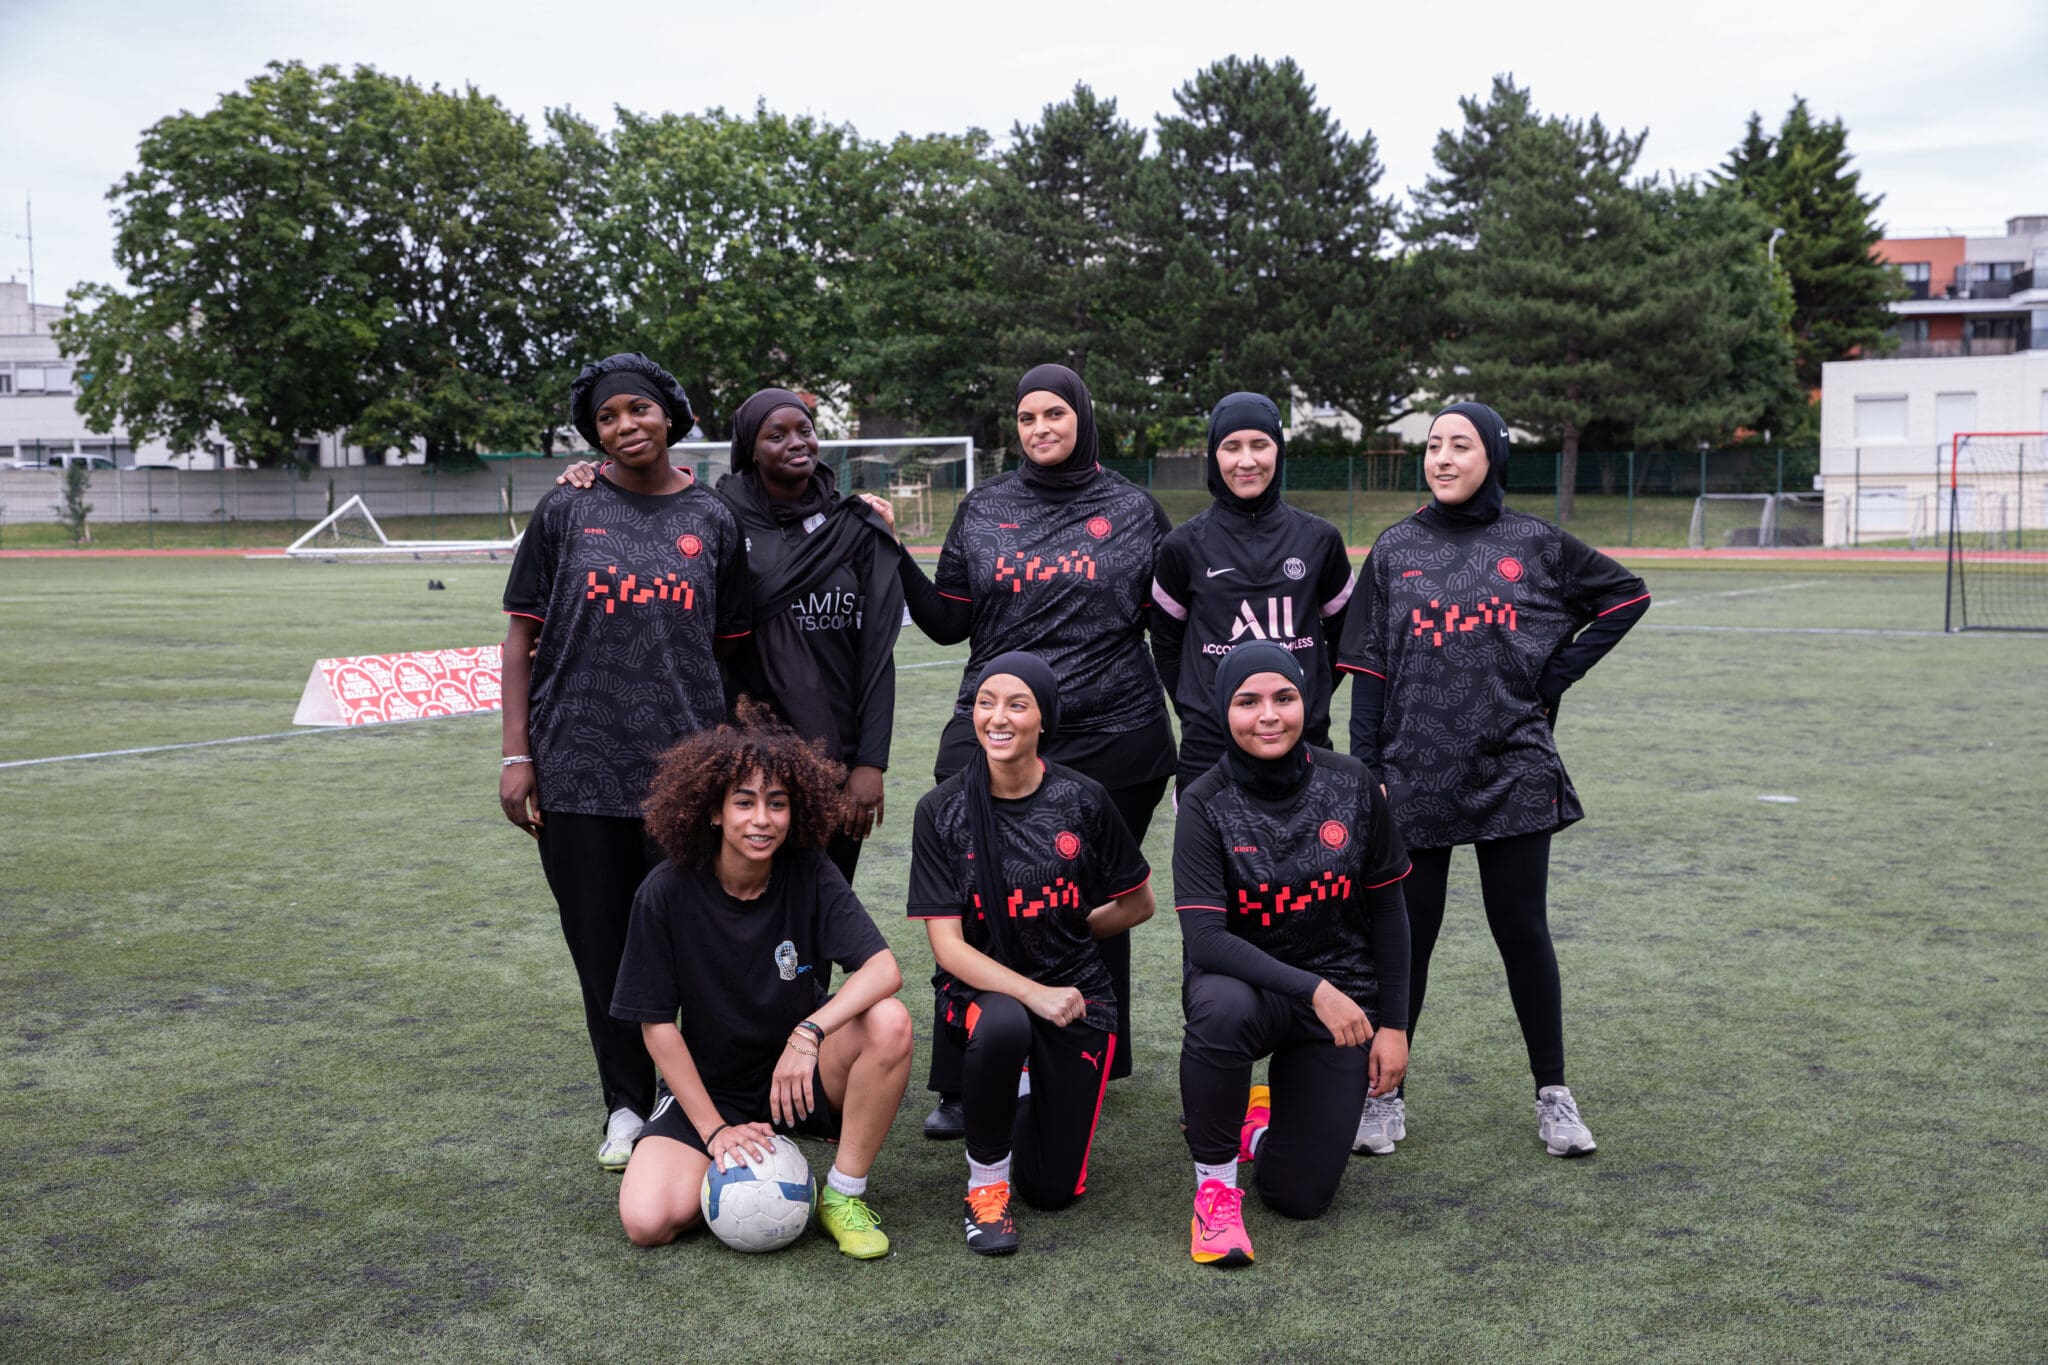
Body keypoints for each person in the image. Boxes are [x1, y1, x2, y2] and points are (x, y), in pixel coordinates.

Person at [1336, 402, 1649, 1159]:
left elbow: (1626, 595)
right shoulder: (1395, 547)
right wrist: (1366, 770)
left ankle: (1554, 1094)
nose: (1442, 457)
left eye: (1460, 445)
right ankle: (1384, 1097)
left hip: (1513, 766)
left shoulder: (1534, 542)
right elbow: (1371, 669)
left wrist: (1554, 673)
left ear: (1493, 456)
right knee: (1408, 939)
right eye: (1433, 445)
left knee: (1522, 931)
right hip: (1415, 772)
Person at [879, 362, 1174, 1130]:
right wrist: (891, 549)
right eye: (1026, 418)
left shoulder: (1135, 510)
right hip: (997, 724)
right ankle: (965, 1074)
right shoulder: (984, 507)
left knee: (1087, 897)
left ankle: (1088, 1053)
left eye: (1054, 414)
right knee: (981, 903)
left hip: (1116, 733)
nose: (1040, 429)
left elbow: (1173, 625)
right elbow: (948, 619)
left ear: (1082, 415)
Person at [500, 353, 750, 1173]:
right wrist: (516, 753)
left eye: (637, 410)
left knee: (691, 940)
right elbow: (520, 642)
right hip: (575, 767)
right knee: (600, 945)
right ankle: (624, 1104)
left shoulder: (714, 520)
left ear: (669, 415)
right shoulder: (565, 509)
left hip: (686, 774)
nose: (623, 427)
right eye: (607, 418)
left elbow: (734, 653)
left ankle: (691, 1097)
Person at [558, 389, 903, 885]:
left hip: (839, 751)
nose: (795, 443)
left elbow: (877, 652)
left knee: (824, 905)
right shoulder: (718, 514)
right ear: (749, 446)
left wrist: (870, 761)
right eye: (775, 435)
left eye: (804, 430)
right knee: (749, 906)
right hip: (749, 749)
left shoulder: (851, 522)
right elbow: (675, 602)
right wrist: (591, 474)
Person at [610, 703, 913, 1257]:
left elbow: (883, 970)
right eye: (744, 802)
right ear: (713, 813)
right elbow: (656, 1026)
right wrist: (714, 1132)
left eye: (777, 804)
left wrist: (808, 1034)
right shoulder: (666, 891)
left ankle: (842, 1194)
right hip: (712, 1088)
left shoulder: (809, 870)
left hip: (797, 1076)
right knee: (647, 1222)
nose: (762, 820)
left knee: (888, 1022)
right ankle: (733, 1162)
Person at [906, 653, 1155, 1254]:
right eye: (986, 702)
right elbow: (947, 946)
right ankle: (985, 1188)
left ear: (1044, 720)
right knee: (1004, 1022)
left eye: (1017, 704)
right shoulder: (941, 810)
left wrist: (1072, 931)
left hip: (1076, 994)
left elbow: (1138, 903)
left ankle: (1020, 1095)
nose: (997, 717)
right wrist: (1031, 992)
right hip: (987, 994)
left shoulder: (1084, 800)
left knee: (1051, 1190)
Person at [1174, 641, 1412, 1267]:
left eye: (1284, 697)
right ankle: (1216, 1190)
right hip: (1246, 991)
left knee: (1299, 1196)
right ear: (1224, 711)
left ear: (1305, 701)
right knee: (1219, 1008)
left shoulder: (1353, 783)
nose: (1269, 715)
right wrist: (1315, 989)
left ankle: (1259, 1127)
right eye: (1247, 702)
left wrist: (1394, 1025)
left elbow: (1389, 910)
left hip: (1339, 1004)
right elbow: (1205, 941)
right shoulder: (1203, 801)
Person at [1151, 391, 1355, 796]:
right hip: (1209, 749)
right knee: (1213, 859)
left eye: (1259, 445)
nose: (1246, 461)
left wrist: (1306, 694)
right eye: (1232, 447)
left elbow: (1346, 637)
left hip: (1303, 740)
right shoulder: (1182, 546)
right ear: (1214, 455)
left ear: (1278, 451)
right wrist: (1203, 707)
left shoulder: (1320, 539)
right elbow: (1166, 645)